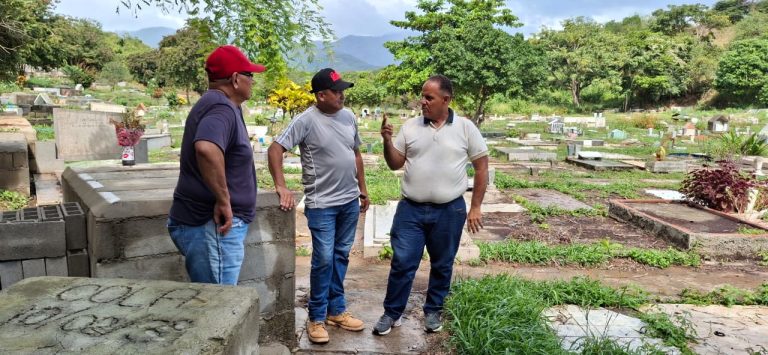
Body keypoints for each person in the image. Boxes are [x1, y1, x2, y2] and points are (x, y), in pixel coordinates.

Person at [373, 75, 489, 336]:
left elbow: (482, 167)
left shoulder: (466, 128)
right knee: (402, 262)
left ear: (446, 100)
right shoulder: (411, 127)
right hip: (411, 210)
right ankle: (392, 313)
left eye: (429, 97)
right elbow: (395, 163)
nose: (422, 102)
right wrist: (387, 141)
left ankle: (433, 310)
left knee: (442, 263)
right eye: (422, 96)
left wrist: (476, 207)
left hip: (449, 210)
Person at [267, 68, 370, 344]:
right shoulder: (306, 121)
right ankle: (316, 317)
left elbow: (356, 154)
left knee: (340, 256)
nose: (342, 96)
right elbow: (275, 149)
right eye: (337, 92)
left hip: (349, 201)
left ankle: (337, 310)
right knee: (323, 259)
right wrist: (281, 186)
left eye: (343, 90)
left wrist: (363, 189)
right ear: (321, 95)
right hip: (322, 204)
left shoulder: (348, 117)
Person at [167, 45, 265, 285]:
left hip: (209, 227)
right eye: (249, 75)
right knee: (218, 306)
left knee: (211, 302)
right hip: (214, 227)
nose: (253, 81)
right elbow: (207, 148)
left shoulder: (220, 104)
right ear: (235, 79)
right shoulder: (221, 107)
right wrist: (223, 200)